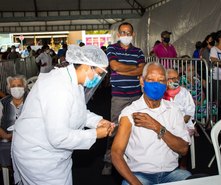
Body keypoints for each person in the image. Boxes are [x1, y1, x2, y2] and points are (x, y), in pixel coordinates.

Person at [11, 45, 115, 185]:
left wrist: (97, 121)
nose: (99, 78)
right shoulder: (59, 87)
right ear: (86, 67)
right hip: (38, 156)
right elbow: (59, 137)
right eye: (99, 73)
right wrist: (95, 134)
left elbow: (77, 110)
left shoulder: (74, 81)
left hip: (55, 155)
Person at [111, 62, 191, 185]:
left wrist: (157, 127)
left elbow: (183, 149)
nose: (156, 84)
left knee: (190, 179)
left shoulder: (174, 110)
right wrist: (135, 182)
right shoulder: (130, 113)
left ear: (166, 85)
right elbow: (116, 153)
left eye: (161, 81)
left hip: (171, 173)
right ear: (142, 81)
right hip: (140, 174)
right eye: (151, 79)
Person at [102, 22, 145, 175]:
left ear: (132, 34)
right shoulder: (112, 48)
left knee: (136, 128)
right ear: (118, 34)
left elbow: (142, 69)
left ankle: (132, 159)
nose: (125, 35)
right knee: (114, 128)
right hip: (119, 96)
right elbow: (114, 66)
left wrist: (124, 70)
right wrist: (133, 69)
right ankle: (109, 160)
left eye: (128, 32)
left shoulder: (138, 51)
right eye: (123, 32)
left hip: (136, 95)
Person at [163, 68, 196, 170]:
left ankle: (183, 164)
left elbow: (190, 111)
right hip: (165, 123)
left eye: (177, 78)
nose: (175, 81)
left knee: (184, 134)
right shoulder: (161, 93)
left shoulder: (184, 92)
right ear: (165, 80)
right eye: (172, 78)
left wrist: (180, 123)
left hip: (183, 123)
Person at [0, 75, 27, 170]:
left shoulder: (31, 101)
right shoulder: (3, 103)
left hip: (28, 141)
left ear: (24, 87)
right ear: (9, 88)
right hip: (7, 141)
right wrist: (7, 136)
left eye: (19, 85)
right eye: (13, 86)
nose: (16, 88)